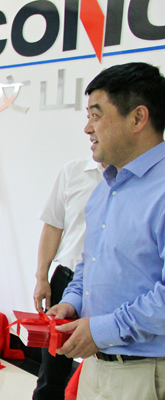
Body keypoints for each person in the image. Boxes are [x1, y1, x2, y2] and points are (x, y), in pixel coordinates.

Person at [48, 62, 165, 400]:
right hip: (97, 364)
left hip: (146, 373)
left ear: (138, 118)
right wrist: (71, 302)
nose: (88, 128)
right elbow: (90, 262)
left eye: (96, 116)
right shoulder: (105, 188)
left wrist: (102, 329)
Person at [32, 157, 104, 400]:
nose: (92, 137)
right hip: (67, 280)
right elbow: (53, 226)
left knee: (102, 370)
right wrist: (42, 276)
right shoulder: (74, 172)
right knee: (51, 370)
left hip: (105, 286)